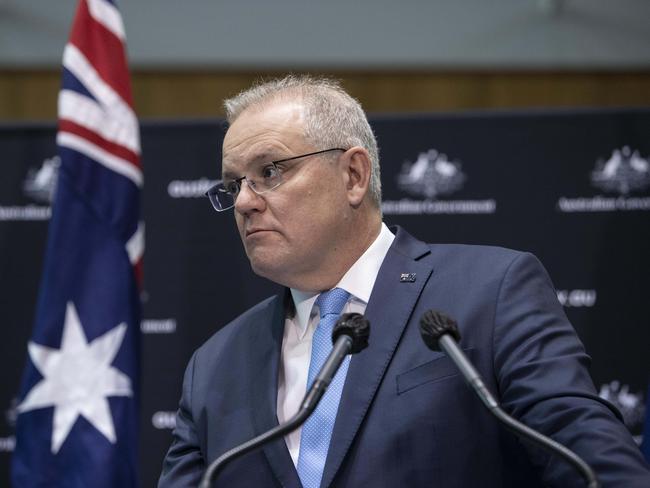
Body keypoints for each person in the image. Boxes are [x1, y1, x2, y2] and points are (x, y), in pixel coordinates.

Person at [159, 76, 650, 487]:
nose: (244, 202)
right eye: (233, 184)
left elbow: (598, 471)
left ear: (353, 175)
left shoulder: (490, 293)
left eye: (269, 171)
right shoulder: (214, 366)